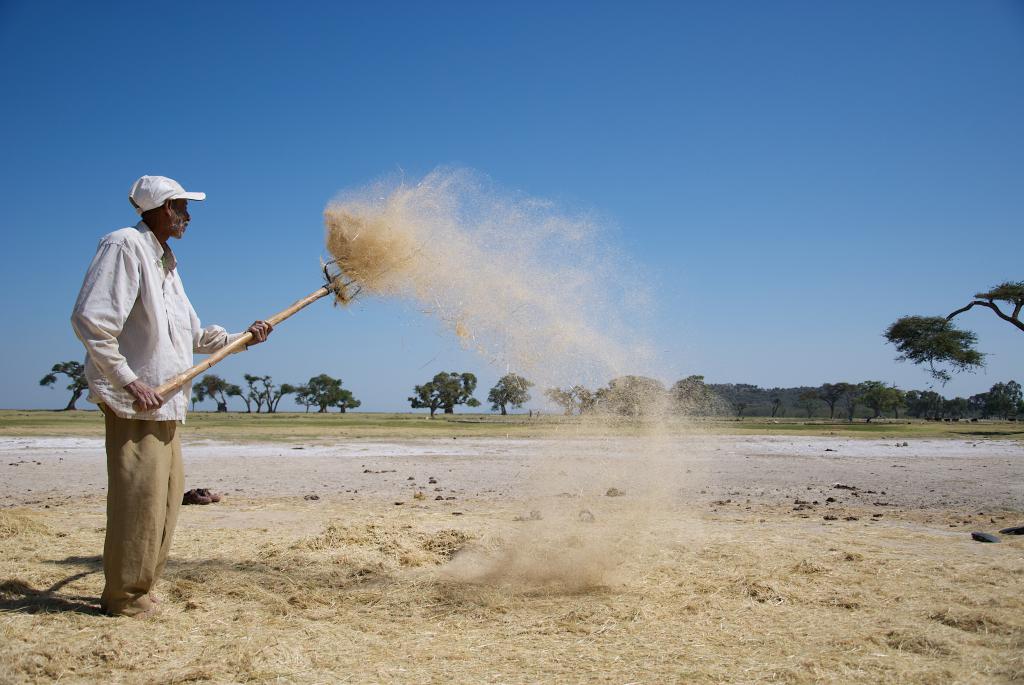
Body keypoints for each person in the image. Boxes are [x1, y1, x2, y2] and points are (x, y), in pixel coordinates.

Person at [71, 175, 273, 617]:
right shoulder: (124, 245)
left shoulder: (166, 262)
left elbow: (191, 336)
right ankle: (125, 597)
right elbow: (91, 320)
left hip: (166, 403)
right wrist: (129, 381)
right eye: (183, 207)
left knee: (165, 501)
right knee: (138, 502)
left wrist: (243, 337)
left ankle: (143, 587)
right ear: (163, 208)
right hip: (138, 402)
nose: (188, 216)